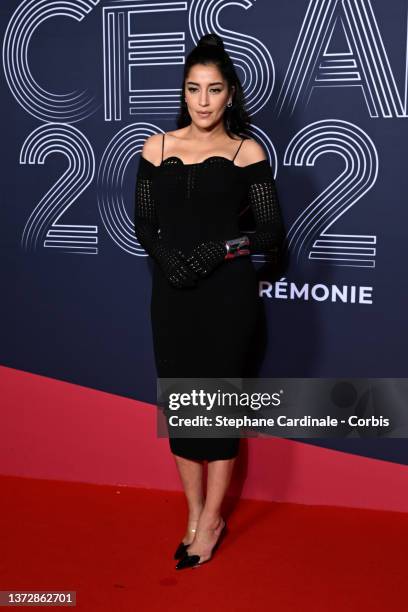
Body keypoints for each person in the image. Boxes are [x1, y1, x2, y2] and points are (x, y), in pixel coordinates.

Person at [134, 33, 284, 569]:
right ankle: (194, 514)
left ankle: (214, 520)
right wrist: (168, 260)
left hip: (227, 300)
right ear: (184, 91)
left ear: (229, 94)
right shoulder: (158, 146)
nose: (202, 100)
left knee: (218, 414)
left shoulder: (248, 151)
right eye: (193, 88)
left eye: (214, 89)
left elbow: (270, 235)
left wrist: (222, 249)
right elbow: (144, 224)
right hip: (172, 298)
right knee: (181, 411)